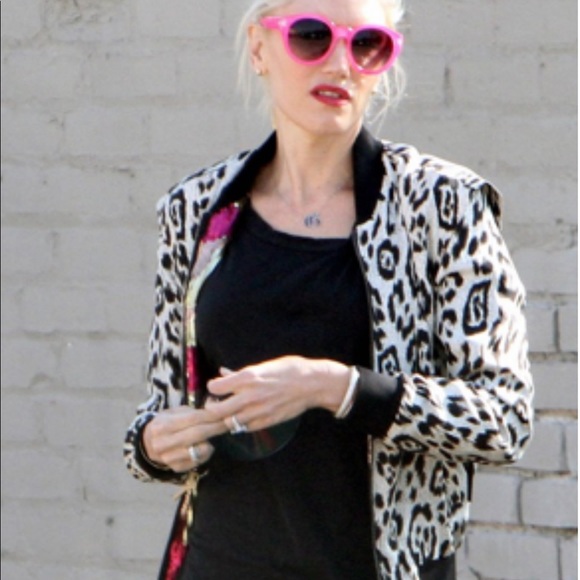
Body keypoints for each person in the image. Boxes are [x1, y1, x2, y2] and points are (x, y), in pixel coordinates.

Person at [124, 0, 534, 578]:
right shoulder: (198, 209)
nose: (341, 63)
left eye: (367, 44)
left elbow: (504, 418)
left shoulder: (442, 206)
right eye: (312, 36)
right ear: (259, 48)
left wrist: (333, 386)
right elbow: (159, 411)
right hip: (217, 560)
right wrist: (153, 445)